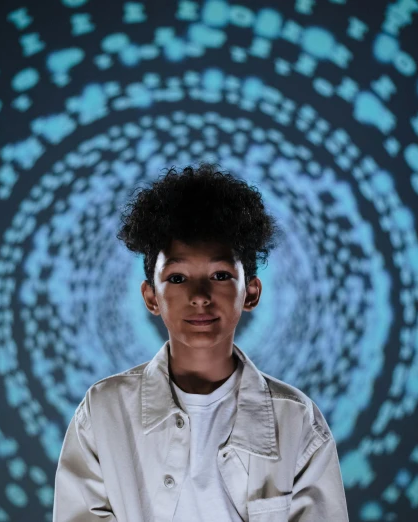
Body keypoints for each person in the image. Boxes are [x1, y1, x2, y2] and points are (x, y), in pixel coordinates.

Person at [52, 163, 349, 521]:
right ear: (151, 297)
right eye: (177, 278)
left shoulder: (296, 420)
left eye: (220, 275)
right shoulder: (103, 412)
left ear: (251, 292)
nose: (199, 296)